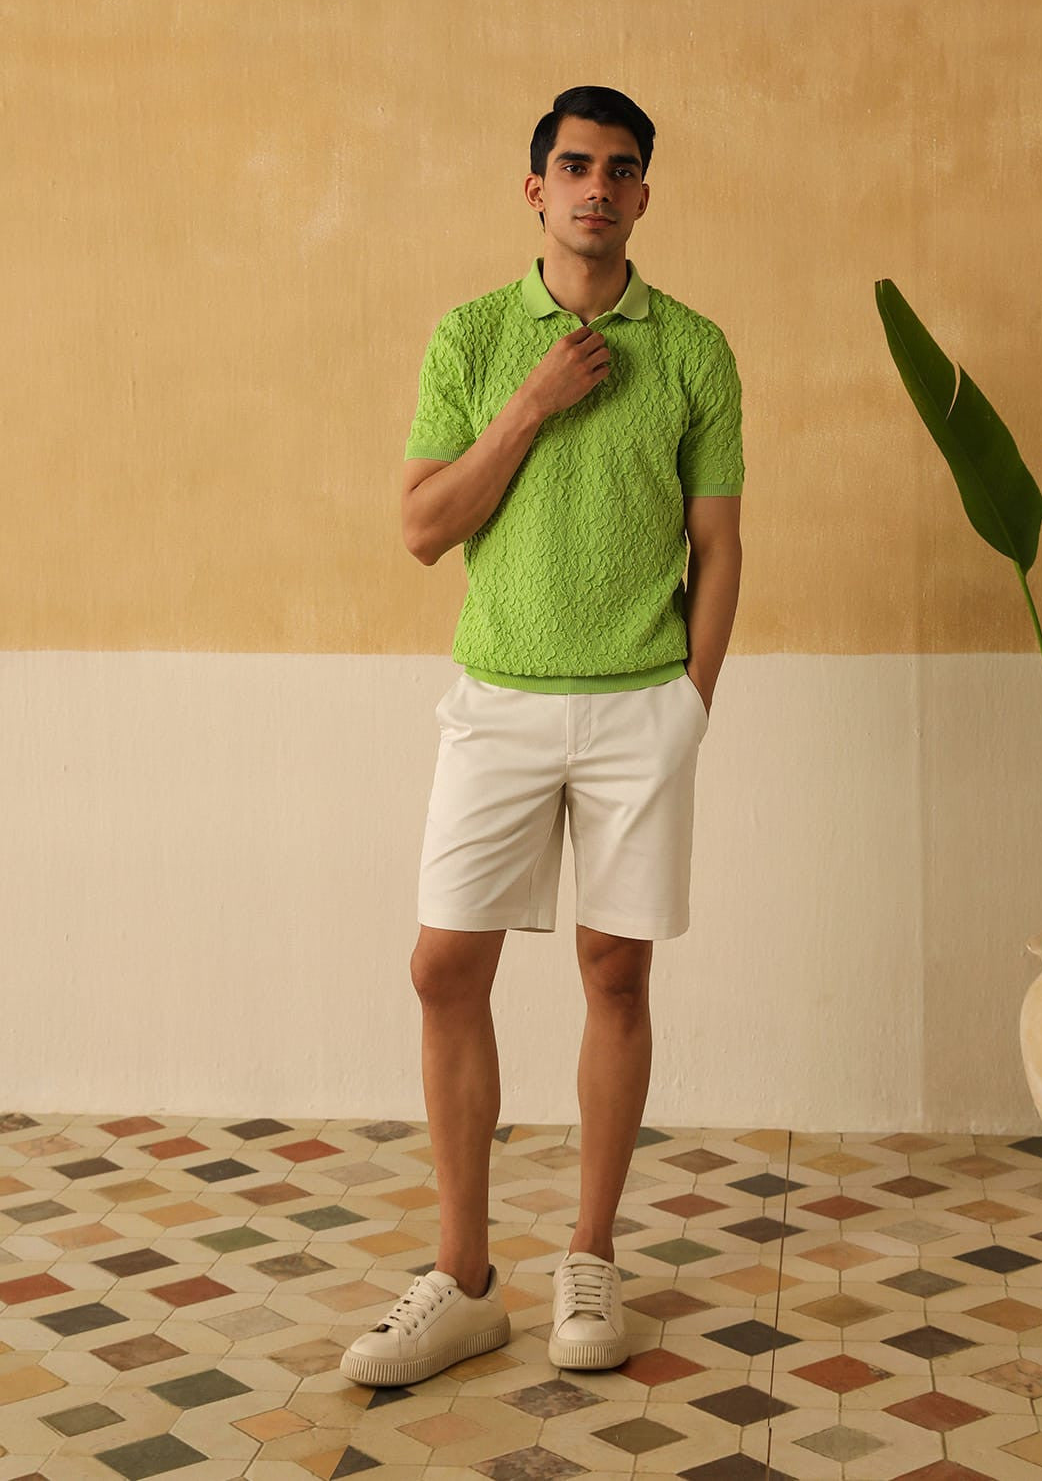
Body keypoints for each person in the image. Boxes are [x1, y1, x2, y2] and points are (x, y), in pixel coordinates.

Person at [341, 86, 744, 1388]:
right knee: (442, 968)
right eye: (575, 166)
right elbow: (422, 528)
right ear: (535, 189)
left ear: (643, 194)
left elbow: (719, 544)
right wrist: (531, 402)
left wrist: (689, 703)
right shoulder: (470, 338)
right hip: (498, 703)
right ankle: (464, 1281)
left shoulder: (695, 349)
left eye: (621, 170)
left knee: (615, 975)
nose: (597, 188)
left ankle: (590, 1255)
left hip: (641, 704)